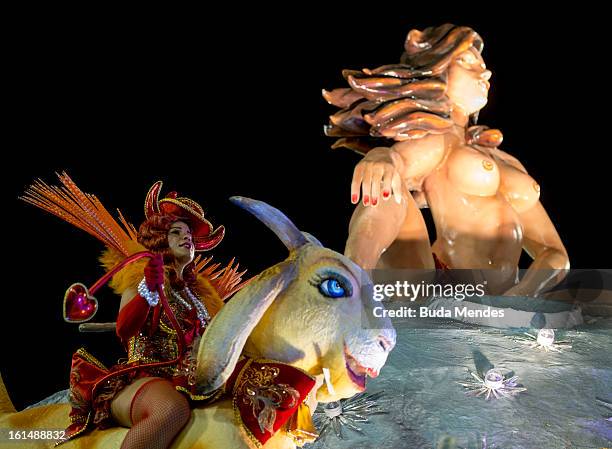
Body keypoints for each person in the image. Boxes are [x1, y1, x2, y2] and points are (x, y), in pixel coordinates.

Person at [323, 24, 569, 296]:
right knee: (387, 186)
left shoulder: (505, 160)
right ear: (437, 72)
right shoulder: (437, 139)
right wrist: (381, 156)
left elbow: (555, 255)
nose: (485, 72)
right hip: (444, 284)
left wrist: (521, 298)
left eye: (484, 65)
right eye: (466, 62)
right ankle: (352, 285)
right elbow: (398, 163)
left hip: (503, 298)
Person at [21, 175, 248, 449]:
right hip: (143, 378)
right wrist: (147, 288)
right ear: (160, 237)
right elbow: (124, 330)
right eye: (176, 232)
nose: (186, 238)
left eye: (189, 235)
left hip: (189, 381)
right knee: (171, 410)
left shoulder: (200, 296)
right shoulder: (139, 273)